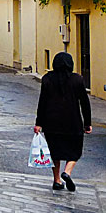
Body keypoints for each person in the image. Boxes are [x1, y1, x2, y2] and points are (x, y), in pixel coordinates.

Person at [34, 52, 92, 191]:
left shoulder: (47, 79)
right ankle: (67, 172)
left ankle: (57, 180)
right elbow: (85, 103)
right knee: (75, 151)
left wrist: (39, 123)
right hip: (73, 122)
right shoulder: (77, 79)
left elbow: (42, 102)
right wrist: (87, 123)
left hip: (51, 123)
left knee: (55, 152)